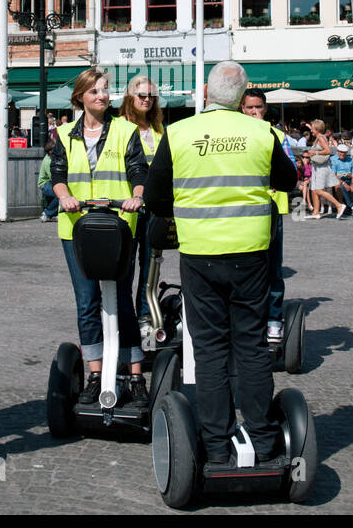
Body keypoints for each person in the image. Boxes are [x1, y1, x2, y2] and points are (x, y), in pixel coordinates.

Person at [142, 61, 297, 466]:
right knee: (251, 345)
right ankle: (263, 439)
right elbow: (288, 182)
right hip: (250, 253)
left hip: (200, 254)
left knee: (209, 350)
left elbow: (156, 199)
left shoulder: (178, 133)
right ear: (244, 94)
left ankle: (215, 444)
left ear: (206, 93)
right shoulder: (262, 131)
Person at [50, 67, 149, 406]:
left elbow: (139, 169)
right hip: (77, 228)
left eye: (105, 90)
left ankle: (135, 375)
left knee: (121, 300)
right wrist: (63, 196)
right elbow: (58, 174)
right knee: (87, 302)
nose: (103, 96)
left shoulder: (125, 130)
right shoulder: (64, 134)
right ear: (81, 97)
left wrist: (137, 195)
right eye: (94, 91)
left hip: (120, 224)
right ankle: (95, 374)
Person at [242, 87, 296, 340]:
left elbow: (291, 171)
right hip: (242, 211)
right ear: (242, 109)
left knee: (273, 268)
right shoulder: (237, 135)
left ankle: (273, 319)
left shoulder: (278, 135)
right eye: (249, 107)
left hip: (272, 210)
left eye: (258, 107)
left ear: (265, 108)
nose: (254, 112)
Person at [118, 75, 165, 332]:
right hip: (126, 209)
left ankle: (146, 317)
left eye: (151, 96)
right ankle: (124, 318)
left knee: (150, 267)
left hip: (153, 209)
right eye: (142, 95)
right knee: (124, 268)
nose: (147, 99)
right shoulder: (118, 127)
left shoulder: (159, 129)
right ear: (130, 97)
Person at [305, 119, 339, 218]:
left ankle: (338, 205)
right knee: (314, 189)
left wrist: (315, 153)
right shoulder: (318, 137)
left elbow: (328, 151)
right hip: (317, 167)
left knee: (319, 190)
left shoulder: (320, 138)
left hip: (321, 167)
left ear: (317, 129)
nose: (311, 131)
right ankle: (315, 212)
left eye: (313, 129)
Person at [37, 137, 59, 221]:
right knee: (61, 194)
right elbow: (53, 177)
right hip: (44, 184)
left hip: (50, 183)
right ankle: (47, 213)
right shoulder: (48, 161)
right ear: (51, 151)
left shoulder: (51, 158)